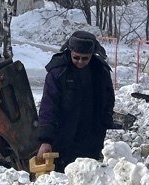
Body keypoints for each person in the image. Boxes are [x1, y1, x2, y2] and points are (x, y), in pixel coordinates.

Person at [35, 30, 115, 171]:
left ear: (92, 55)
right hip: (63, 137)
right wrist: (46, 140)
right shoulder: (58, 72)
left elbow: (108, 99)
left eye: (85, 58)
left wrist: (105, 119)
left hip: (91, 136)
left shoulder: (100, 72)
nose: (80, 62)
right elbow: (49, 107)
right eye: (76, 57)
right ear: (70, 52)